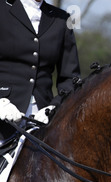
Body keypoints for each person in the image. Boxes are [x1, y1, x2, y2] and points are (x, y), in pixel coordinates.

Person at [0, 0, 80, 142]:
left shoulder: (62, 19)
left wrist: (55, 108)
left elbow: (70, 78)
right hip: (3, 116)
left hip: (42, 122)